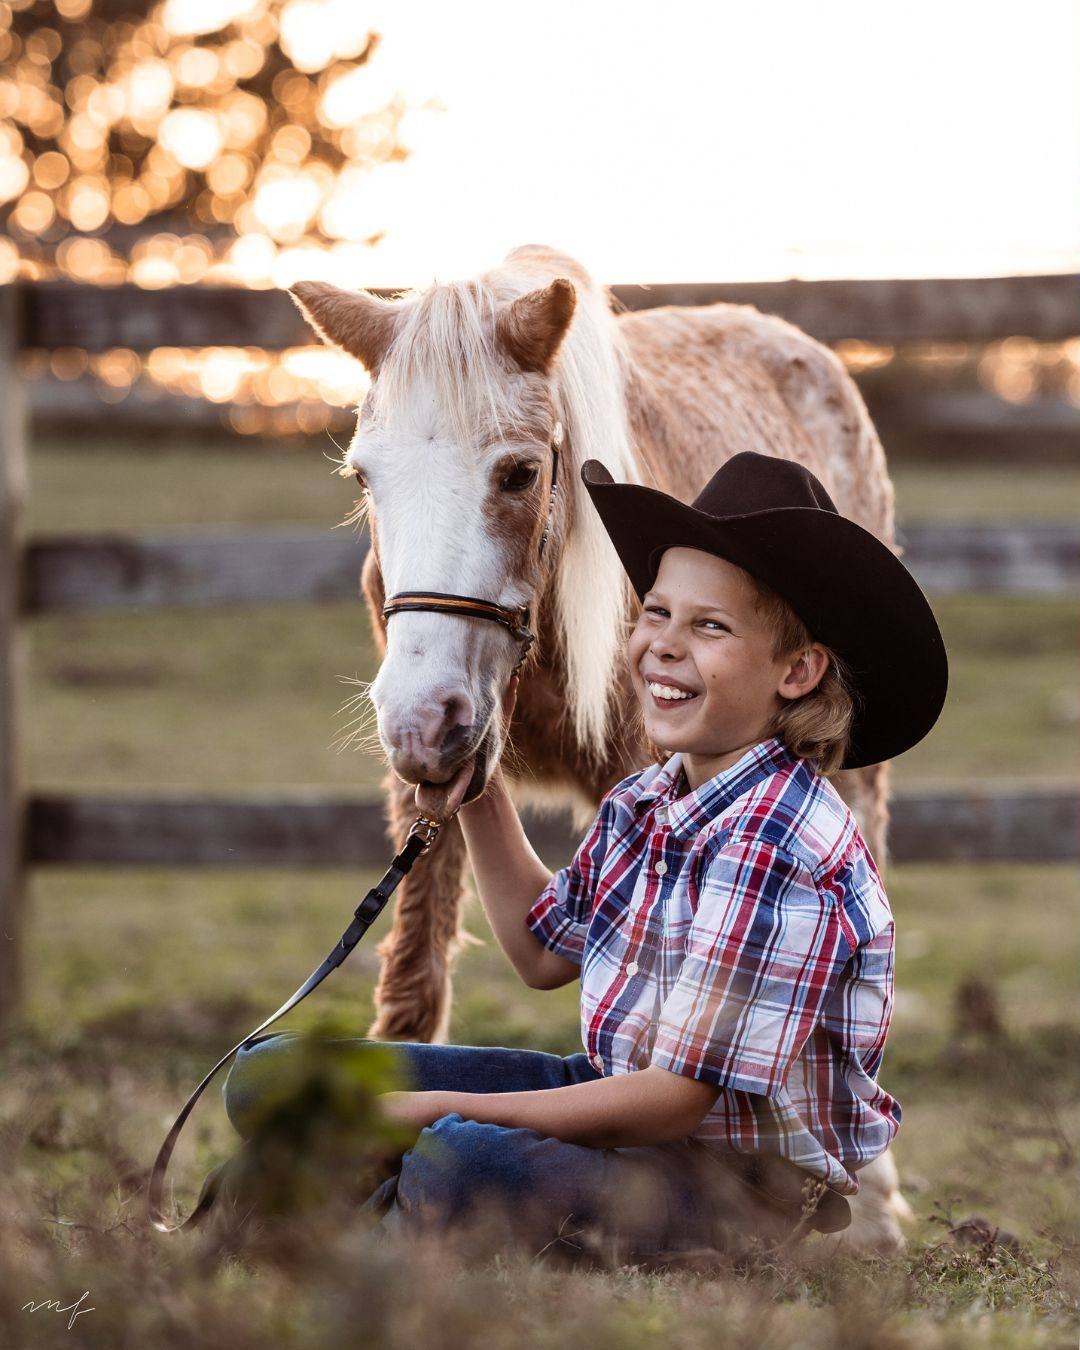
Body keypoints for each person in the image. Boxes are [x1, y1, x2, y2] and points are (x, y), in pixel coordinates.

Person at [218, 451, 948, 1261]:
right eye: (655, 613)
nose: (663, 647)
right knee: (273, 1077)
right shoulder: (649, 800)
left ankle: (369, 1206)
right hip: (611, 1103)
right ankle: (390, 1196)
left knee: (461, 1151)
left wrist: (434, 1112)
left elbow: (675, 1102)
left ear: (798, 671)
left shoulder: (782, 840)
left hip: (729, 1179)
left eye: (709, 626)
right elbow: (540, 952)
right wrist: (479, 787)